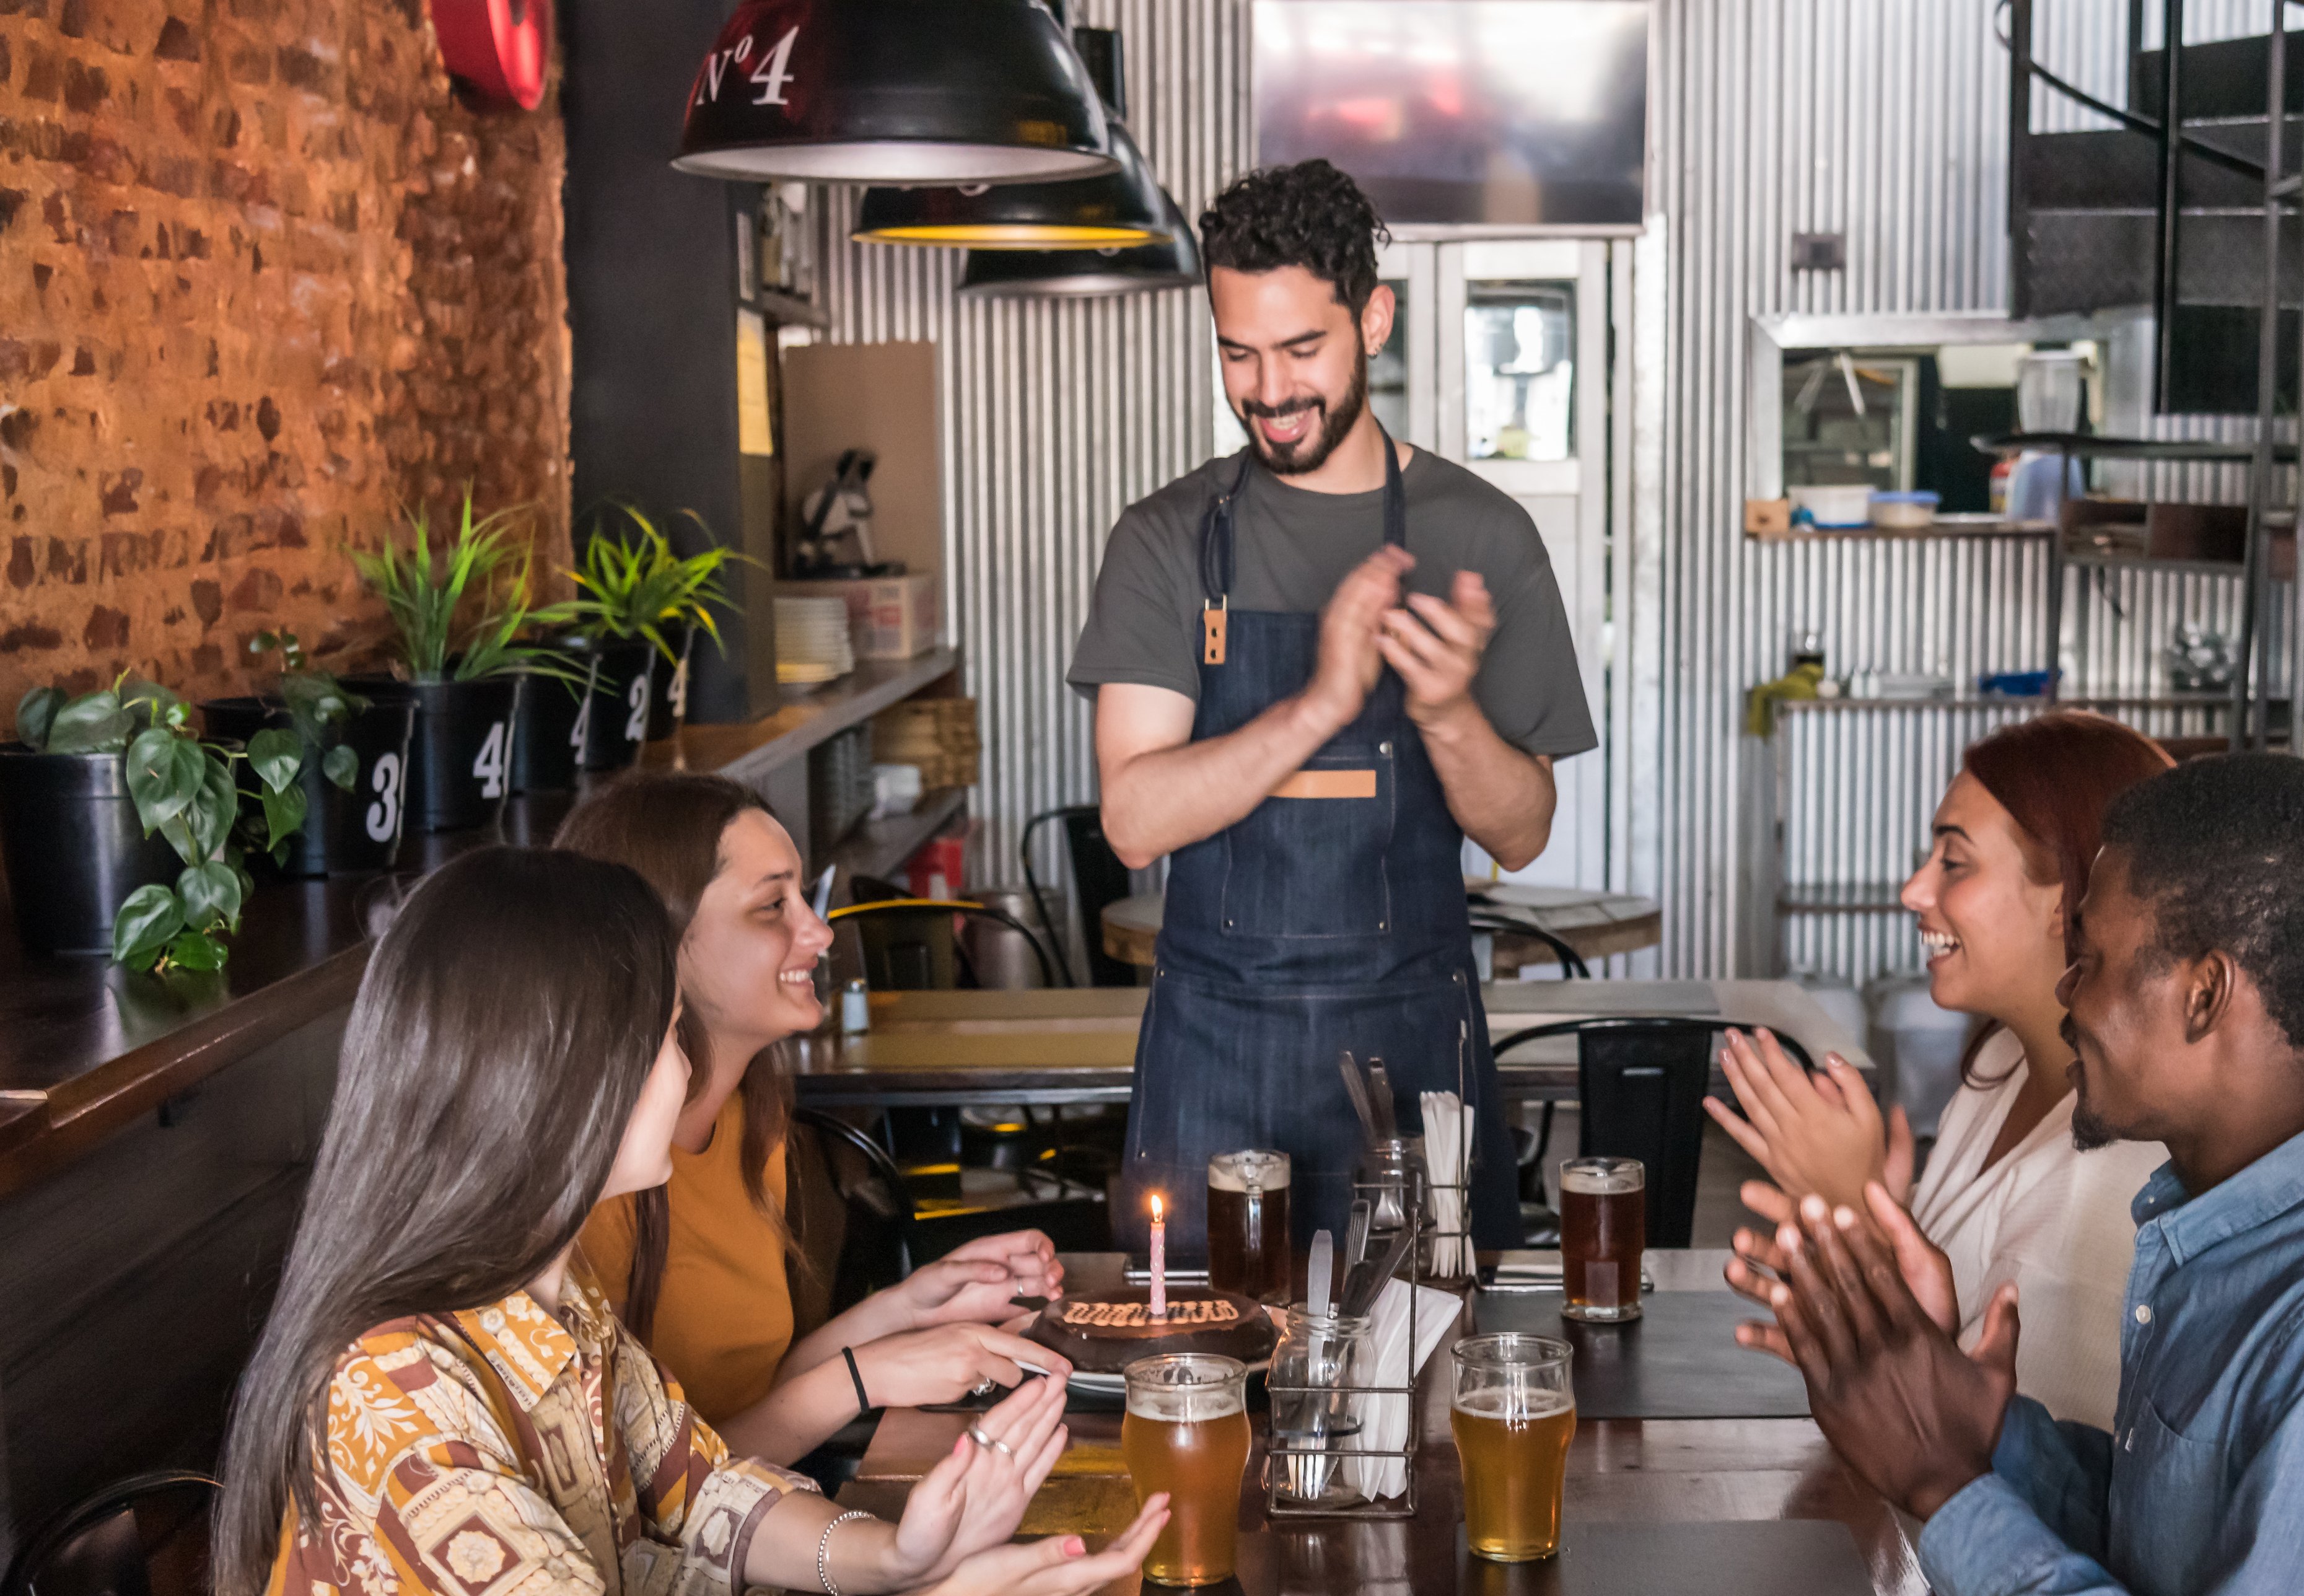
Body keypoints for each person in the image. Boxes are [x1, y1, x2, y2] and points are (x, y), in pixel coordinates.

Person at [213, 848, 1167, 1596]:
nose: (688, 1068)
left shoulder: (554, 1299)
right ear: (564, 1078)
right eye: (672, 1035)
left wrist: (899, 1559)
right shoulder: (402, 1404)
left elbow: (699, 1487)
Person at [1068, 158, 1598, 1256]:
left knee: (1428, 1394)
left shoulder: (1479, 535)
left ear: (1373, 319)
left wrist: (1445, 709)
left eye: (1301, 349)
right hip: (1213, 1053)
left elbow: (1520, 830)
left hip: (1411, 1056)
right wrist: (1318, 704)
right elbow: (1133, 818)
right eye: (1237, 352)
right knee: (1201, 1385)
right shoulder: (1167, 540)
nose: (1267, 390)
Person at [1751, 754, 2304, 1595]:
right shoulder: (2220, 1221)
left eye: (2089, 960)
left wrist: (1946, 1484)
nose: (2068, 993)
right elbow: (2157, 1542)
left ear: (2205, 994)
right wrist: (1985, 1434)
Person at [559, 773, 1071, 1467]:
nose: (820, 932)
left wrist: (914, 1305)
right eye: (773, 905)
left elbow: (757, 1389)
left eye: (805, 896)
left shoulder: (751, 1122)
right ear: (662, 939)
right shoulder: (593, 1190)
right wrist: (866, 1377)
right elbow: (647, 1502)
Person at [1708, 712, 2169, 1425]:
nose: (1913, 891)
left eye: (1954, 863)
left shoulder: (2123, 1174)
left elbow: (2025, 1472)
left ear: (2071, 895)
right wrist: (1870, 1235)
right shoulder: (2000, 1061)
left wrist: (1860, 1209)